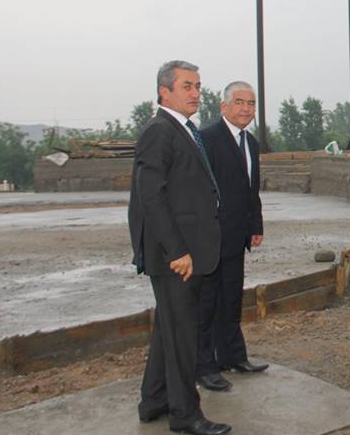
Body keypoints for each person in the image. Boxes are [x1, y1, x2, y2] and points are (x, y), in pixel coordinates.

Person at [127, 60, 231, 435]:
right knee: (183, 336)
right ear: (164, 91)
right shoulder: (159, 131)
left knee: (169, 330)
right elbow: (150, 196)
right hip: (176, 256)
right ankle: (185, 414)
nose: (196, 93)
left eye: (198, 86)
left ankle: (153, 400)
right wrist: (176, 251)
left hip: (191, 250)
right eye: (187, 86)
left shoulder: (184, 129)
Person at [196, 81, 268, 392]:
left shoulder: (250, 142)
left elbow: (252, 189)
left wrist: (256, 225)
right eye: (239, 102)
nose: (246, 109)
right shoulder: (207, 139)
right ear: (224, 106)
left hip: (237, 235)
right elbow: (200, 190)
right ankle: (204, 366)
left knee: (232, 298)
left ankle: (233, 356)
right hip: (211, 237)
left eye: (251, 104)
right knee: (207, 303)